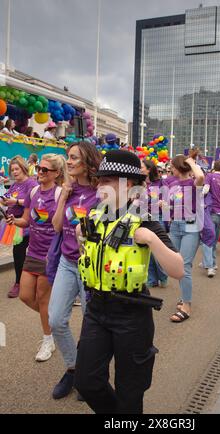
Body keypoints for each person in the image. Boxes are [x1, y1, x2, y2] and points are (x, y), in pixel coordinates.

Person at [74, 150, 184, 414]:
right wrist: (82, 239)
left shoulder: (144, 220)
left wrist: (152, 240)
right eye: (99, 180)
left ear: (129, 185)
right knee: (86, 382)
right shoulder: (96, 216)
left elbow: (178, 269)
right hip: (97, 309)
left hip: (131, 315)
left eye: (108, 181)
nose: (101, 186)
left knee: (130, 392)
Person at [49, 141, 101, 400]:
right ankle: (74, 367)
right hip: (67, 263)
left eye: (74, 158)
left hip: (90, 268)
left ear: (88, 162)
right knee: (56, 319)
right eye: (68, 157)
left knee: (93, 325)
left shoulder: (103, 192)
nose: (68, 162)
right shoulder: (66, 190)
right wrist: (64, 197)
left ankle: (90, 376)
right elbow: (57, 227)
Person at [6, 154, 68, 361]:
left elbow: (62, 226)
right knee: (25, 296)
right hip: (32, 251)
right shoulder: (33, 192)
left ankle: (48, 339)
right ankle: (54, 321)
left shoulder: (60, 194)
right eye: (39, 169)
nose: (39, 172)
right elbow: (26, 220)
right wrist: (15, 221)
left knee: (42, 298)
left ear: (56, 174)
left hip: (49, 254)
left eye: (45, 170)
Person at [167, 155, 204, 322]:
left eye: (172, 166)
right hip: (175, 226)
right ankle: (184, 297)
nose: (170, 169)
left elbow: (201, 176)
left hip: (191, 226)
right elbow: (173, 205)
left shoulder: (193, 183)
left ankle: (186, 306)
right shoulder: (173, 184)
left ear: (178, 167)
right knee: (177, 265)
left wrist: (191, 163)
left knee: (185, 266)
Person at [0, 156, 38, 297]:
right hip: (15, 223)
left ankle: (21, 283)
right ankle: (21, 281)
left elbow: (34, 200)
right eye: (12, 170)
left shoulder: (31, 183)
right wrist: (3, 201)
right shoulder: (15, 184)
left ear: (23, 168)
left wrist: (15, 201)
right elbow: (7, 197)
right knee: (19, 253)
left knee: (22, 252)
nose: (14, 172)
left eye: (17, 169)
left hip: (28, 224)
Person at [140, 158, 168, 288]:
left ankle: (163, 275)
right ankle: (151, 279)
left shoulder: (161, 183)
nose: (139, 169)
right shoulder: (139, 183)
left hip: (157, 217)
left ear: (149, 169)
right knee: (147, 251)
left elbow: (169, 201)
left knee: (157, 250)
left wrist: (163, 203)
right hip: (143, 217)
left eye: (142, 167)